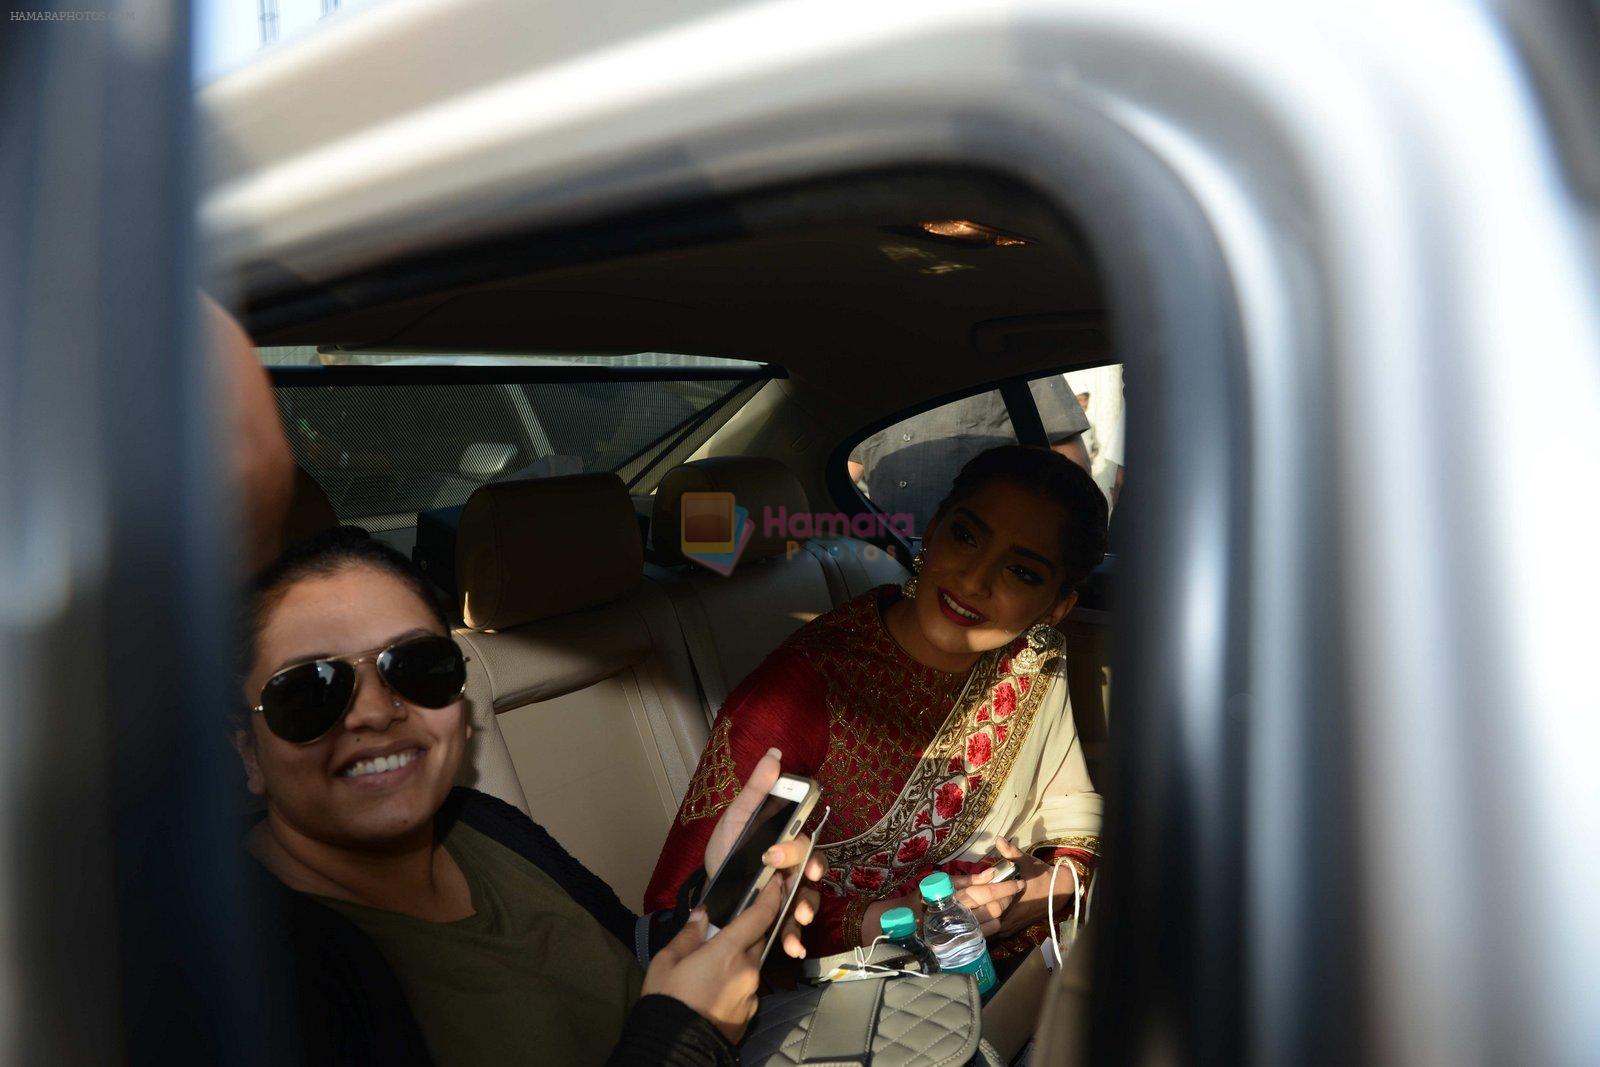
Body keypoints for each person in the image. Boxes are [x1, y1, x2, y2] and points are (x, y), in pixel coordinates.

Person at [235, 528, 826, 1065]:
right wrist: (687, 1039)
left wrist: (718, 907)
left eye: (417, 666)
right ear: (246, 755)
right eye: (310, 691)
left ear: (461, 712)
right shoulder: (260, 980)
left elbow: (632, 962)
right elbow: (665, 1021)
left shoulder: (482, 825)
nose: (374, 710)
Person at [646, 445, 1107, 963]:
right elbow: (680, 919)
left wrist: (1051, 888)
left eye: (1022, 572)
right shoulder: (799, 693)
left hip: (1010, 962)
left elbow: (1071, 812)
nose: (975, 580)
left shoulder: (1033, 657)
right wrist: (888, 919)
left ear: (1058, 606)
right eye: (965, 536)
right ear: (931, 531)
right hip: (840, 992)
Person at [847, 379, 1090, 534]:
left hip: (979, 565)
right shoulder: (872, 377)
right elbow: (844, 472)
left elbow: (1070, 473)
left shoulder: (1012, 357)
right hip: (881, 557)